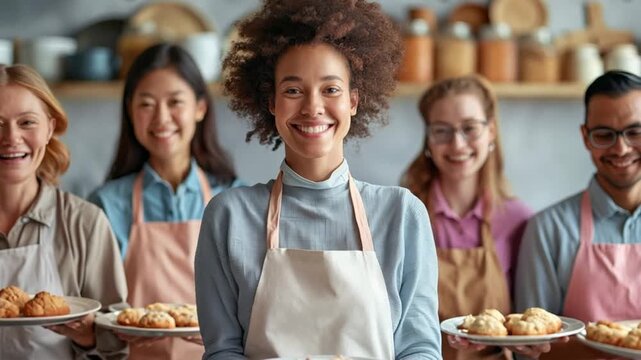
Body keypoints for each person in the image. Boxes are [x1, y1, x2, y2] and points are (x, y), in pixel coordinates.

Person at [194, 0, 441, 358]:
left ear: (354, 101)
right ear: (272, 103)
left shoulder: (402, 215)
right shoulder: (229, 216)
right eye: (293, 90)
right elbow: (223, 350)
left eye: (331, 89)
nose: (313, 107)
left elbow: (419, 349)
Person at [88, 43, 242, 359]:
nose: (161, 118)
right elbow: (95, 315)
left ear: (200, 107)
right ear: (130, 110)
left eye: (175, 102)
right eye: (146, 104)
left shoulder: (235, 200)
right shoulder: (105, 205)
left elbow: (254, 303)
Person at [0, 64, 127, 359]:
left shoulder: (85, 223)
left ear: (50, 128)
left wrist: (87, 336)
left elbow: (118, 345)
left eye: (27, 122)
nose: (11, 137)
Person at [401, 75, 533, 359]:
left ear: (491, 132)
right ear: (428, 139)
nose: (458, 145)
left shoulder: (519, 220)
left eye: (470, 129)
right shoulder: (404, 215)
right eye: (442, 131)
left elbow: (526, 323)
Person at [515, 70, 641, 359]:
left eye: (635, 132)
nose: (621, 148)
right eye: (604, 135)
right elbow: (528, 349)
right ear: (586, 138)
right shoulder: (548, 230)